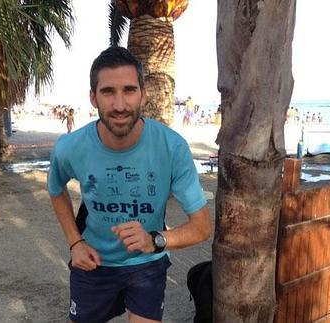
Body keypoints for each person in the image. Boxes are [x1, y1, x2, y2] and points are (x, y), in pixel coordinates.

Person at [47, 47, 211, 323]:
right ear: (93, 97)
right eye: (108, 92)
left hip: (147, 265)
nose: (120, 104)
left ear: (143, 95)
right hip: (93, 262)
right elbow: (55, 190)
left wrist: (155, 240)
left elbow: (202, 227)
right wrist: (75, 242)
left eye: (129, 90)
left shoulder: (171, 148)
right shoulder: (70, 147)